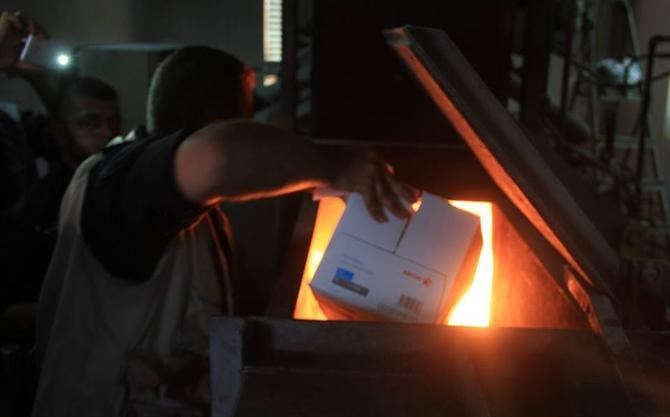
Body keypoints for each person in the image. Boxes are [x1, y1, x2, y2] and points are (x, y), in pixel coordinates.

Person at [32, 43, 418, 416]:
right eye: (244, 122)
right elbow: (219, 157)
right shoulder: (123, 181)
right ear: (224, 122)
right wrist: (335, 165)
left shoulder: (182, 203)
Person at [0, 12, 121, 315]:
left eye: (111, 122)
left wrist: (38, 74)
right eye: (93, 123)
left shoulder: (13, 127)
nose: (106, 132)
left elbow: (63, 128)